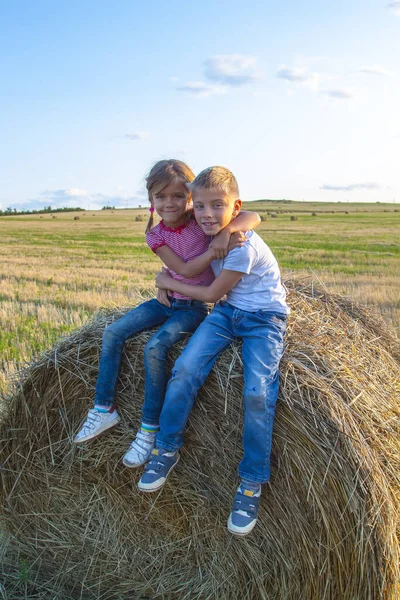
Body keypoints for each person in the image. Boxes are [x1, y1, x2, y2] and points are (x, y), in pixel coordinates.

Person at [74, 160, 260, 470]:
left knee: (155, 347)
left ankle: (148, 430)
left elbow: (252, 216)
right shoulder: (155, 236)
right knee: (112, 332)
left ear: (189, 198)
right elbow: (185, 269)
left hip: (194, 308)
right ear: (151, 201)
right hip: (166, 300)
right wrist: (191, 266)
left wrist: (229, 232)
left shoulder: (201, 220)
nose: (169, 203)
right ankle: (103, 408)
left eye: (177, 196)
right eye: (161, 197)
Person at [138, 166, 289, 537]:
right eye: (200, 206)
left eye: (217, 207)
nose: (206, 213)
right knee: (185, 370)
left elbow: (208, 295)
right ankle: (166, 448)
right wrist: (223, 227)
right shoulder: (209, 228)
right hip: (226, 314)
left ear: (234, 207)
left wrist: (167, 282)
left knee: (256, 393)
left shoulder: (241, 246)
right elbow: (191, 235)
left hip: (263, 319)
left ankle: (251, 481)